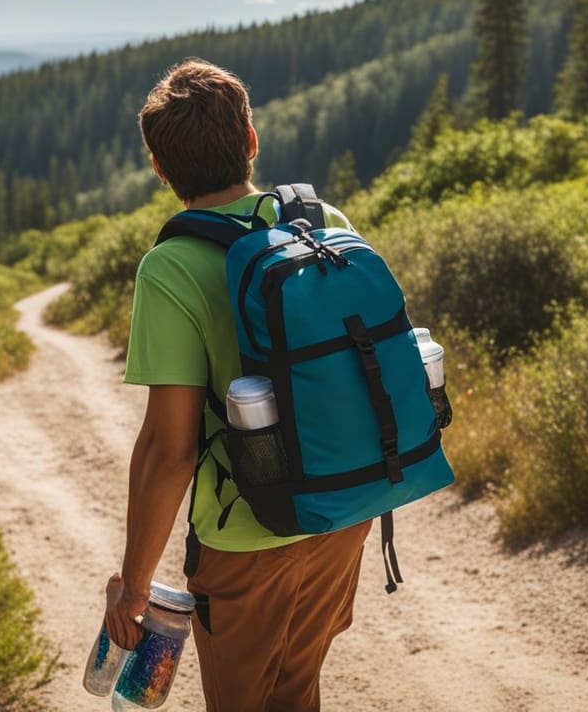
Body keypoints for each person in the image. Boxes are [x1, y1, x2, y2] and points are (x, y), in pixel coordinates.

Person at [104, 58, 372, 712]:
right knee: (297, 688)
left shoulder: (170, 267)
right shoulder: (318, 218)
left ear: (160, 169)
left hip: (246, 537)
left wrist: (134, 584)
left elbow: (169, 451)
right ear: (251, 141)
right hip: (342, 510)